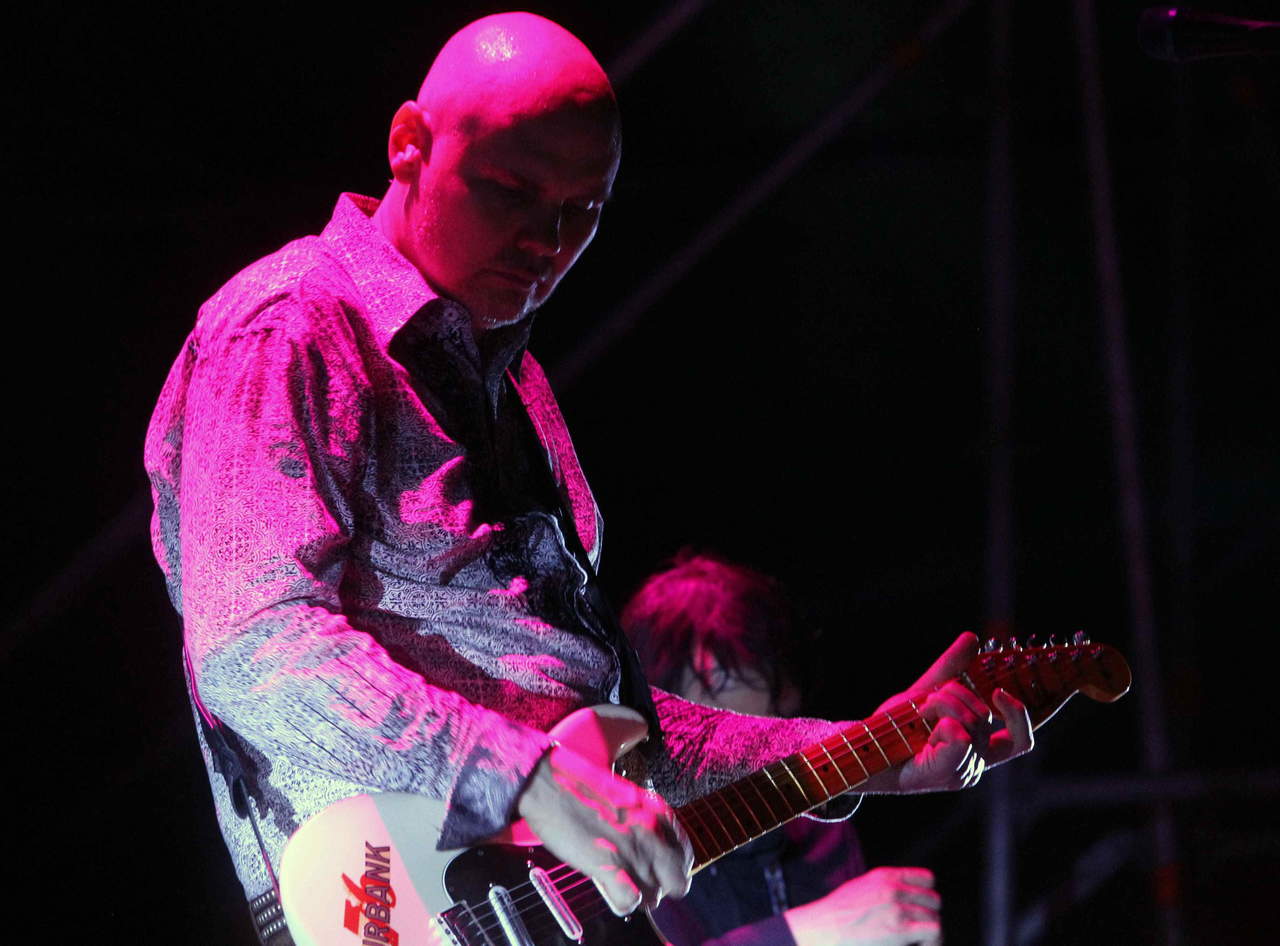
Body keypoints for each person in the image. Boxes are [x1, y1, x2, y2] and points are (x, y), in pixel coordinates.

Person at [143, 12, 1032, 945]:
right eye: (511, 191)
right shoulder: (291, 326)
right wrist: (521, 775)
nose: (544, 240)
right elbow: (254, 645)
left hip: (550, 907)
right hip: (388, 904)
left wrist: (868, 754)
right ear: (409, 144)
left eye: (582, 212)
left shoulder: (516, 388)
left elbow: (626, 736)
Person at [623, 552, 944, 946]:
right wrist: (812, 931)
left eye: (764, 727)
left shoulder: (819, 831)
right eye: (707, 724)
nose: (738, 748)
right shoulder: (627, 843)